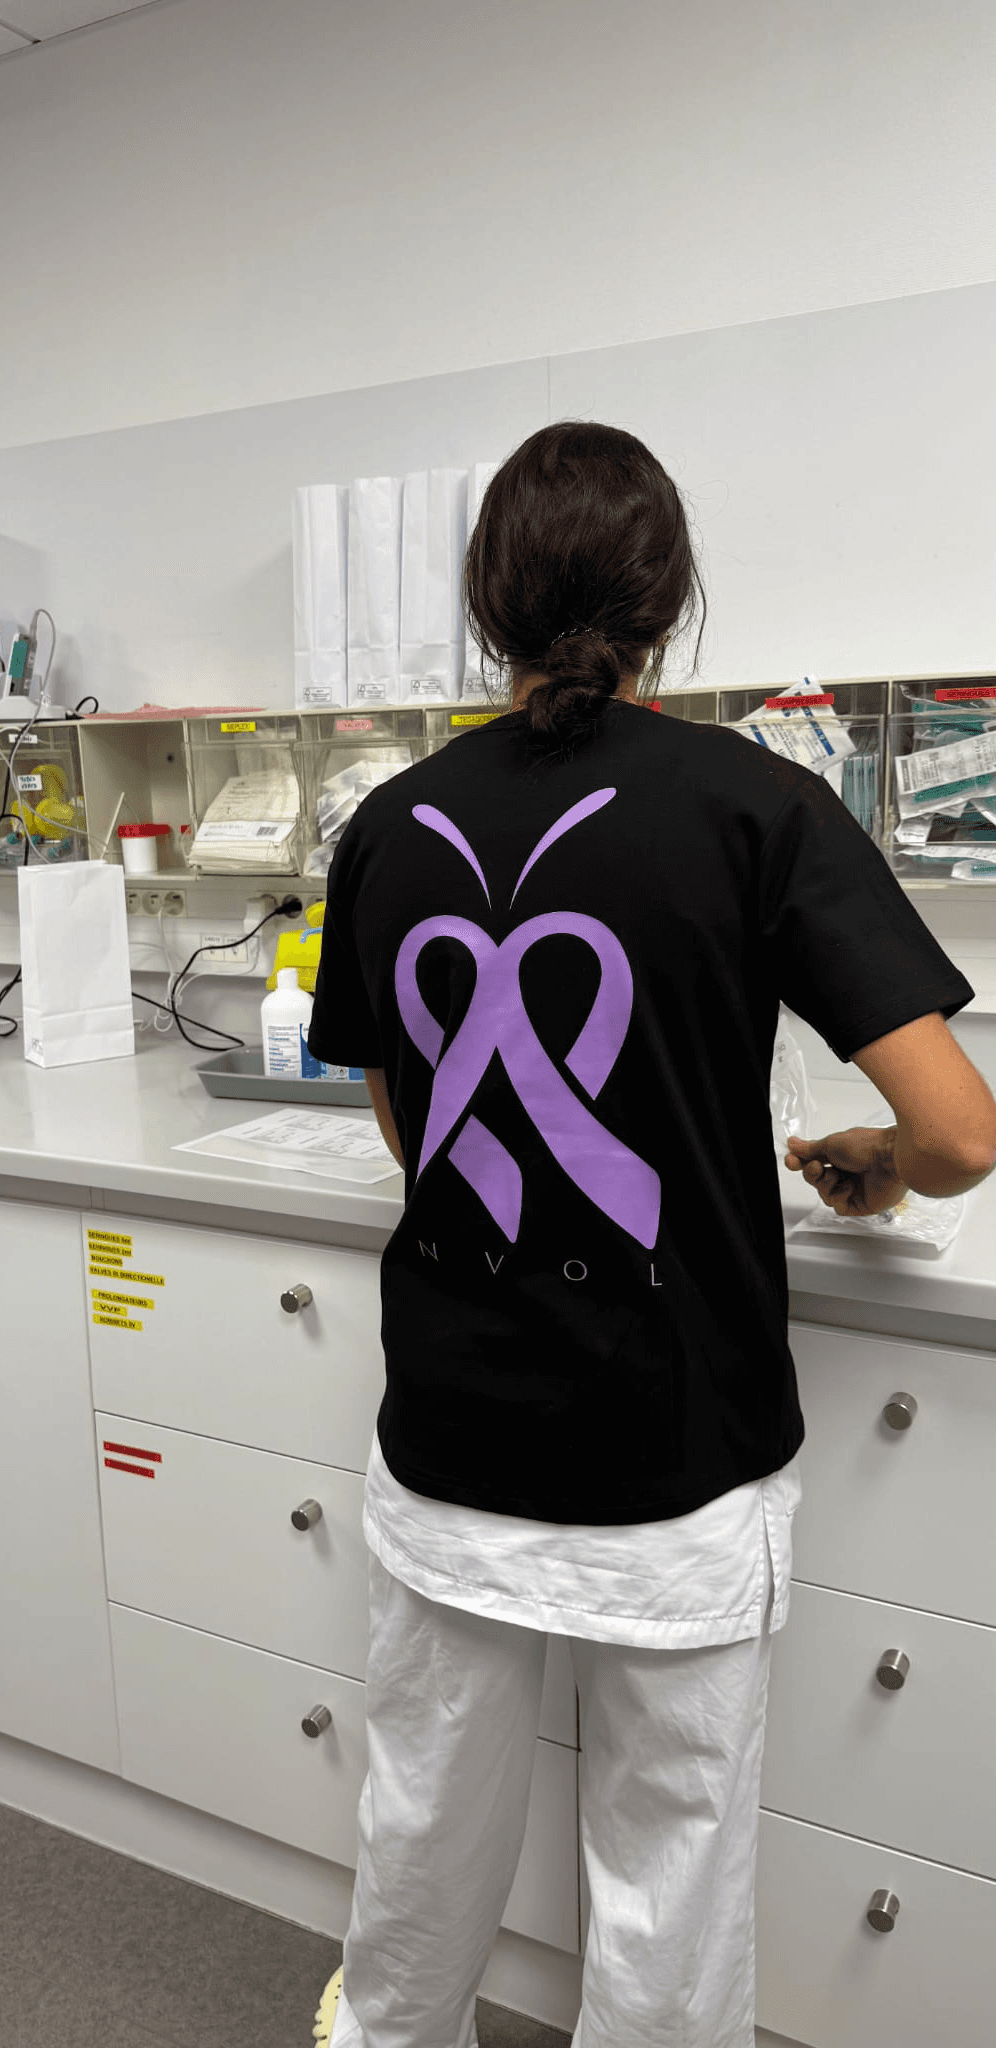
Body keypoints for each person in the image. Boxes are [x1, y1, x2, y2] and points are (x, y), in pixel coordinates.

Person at [306, 421, 996, 2048]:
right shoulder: (758, 807)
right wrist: (879, 1163)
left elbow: (415, 1126)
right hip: (674, 1446)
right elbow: (962, 1135)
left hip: (454, 1441)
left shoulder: (390, 821)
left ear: (484, 602)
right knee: (666, 1869)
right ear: (670, 604)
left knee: (421, 1824)